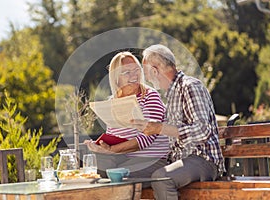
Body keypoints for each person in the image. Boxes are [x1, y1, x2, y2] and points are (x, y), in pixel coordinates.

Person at [130, 44, 225, 200]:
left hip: (202, 160)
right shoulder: (171, 95)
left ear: (155, 70)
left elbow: (202, 130)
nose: (145, 79)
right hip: (177, 159)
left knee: (161, 179)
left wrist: (160, 128)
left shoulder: (190, 86)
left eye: (146, 72)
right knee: (124, 175)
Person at [85, 51, 169, 183]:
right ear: (116, 77)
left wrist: (111, 150)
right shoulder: (113, 101)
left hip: (152, 160)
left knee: (118, 177)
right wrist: (101, 146)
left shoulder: (150, 96)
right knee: (93, 175)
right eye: (127, 72)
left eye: (136, 70)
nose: (134, 75)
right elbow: (113, 137)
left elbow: (147, 138)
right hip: (125, 160)